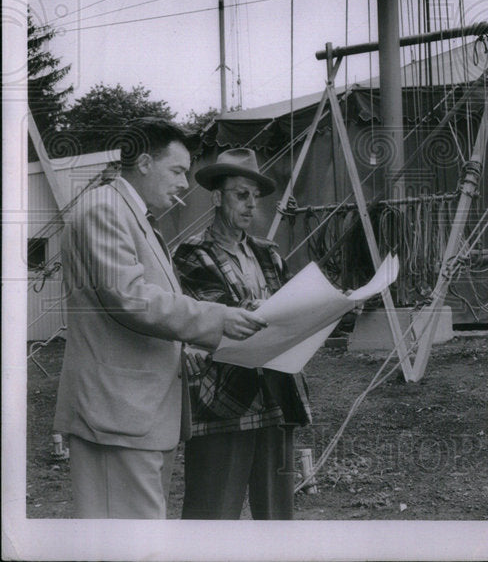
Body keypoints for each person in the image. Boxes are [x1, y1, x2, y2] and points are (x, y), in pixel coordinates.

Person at [53, 117, 269, 519]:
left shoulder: (133, 217)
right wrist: (218, 318)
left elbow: (147, 302)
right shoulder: (103, 210)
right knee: (132, 541)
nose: (185, 184)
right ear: (145, 163)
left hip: (136, 415)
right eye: (177, 171)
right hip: (117, 414)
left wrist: (196, 338)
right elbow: (130, 299)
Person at [172, 148, 311, 520]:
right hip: (222, 399)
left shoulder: (269, 254)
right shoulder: (191, 254)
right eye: (241, 195)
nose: (251, 205)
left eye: (255, 196)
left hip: (275, 393)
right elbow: (215, 317)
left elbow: (292, 308)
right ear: (217, 198)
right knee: (212, 511)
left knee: (277, 514)